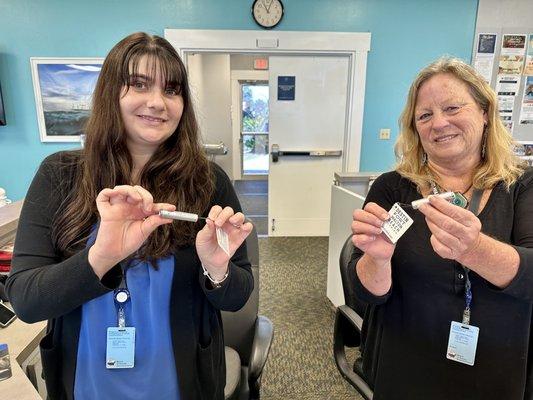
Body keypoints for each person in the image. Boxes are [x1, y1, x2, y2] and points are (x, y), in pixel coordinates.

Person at [6, 32, 253, 400]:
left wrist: (217, 271)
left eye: (171, 90)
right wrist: (101, 256)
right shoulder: (59, 175)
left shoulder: (207, 181)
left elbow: (236, 296)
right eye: (139, 84)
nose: (158, 102)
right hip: (85, 383)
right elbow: (26, 302)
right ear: (110, 93)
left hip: (184, 383)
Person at [349, 57, 533, 399]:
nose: (439, 123)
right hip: (406, 366)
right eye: (425, 115)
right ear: (415, 128)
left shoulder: (522, 185)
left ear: (484, 112)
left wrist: (475, 249)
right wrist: (377, 260)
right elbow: (365, 296)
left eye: (452, 107)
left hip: (498, 368)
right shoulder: (392, 189)